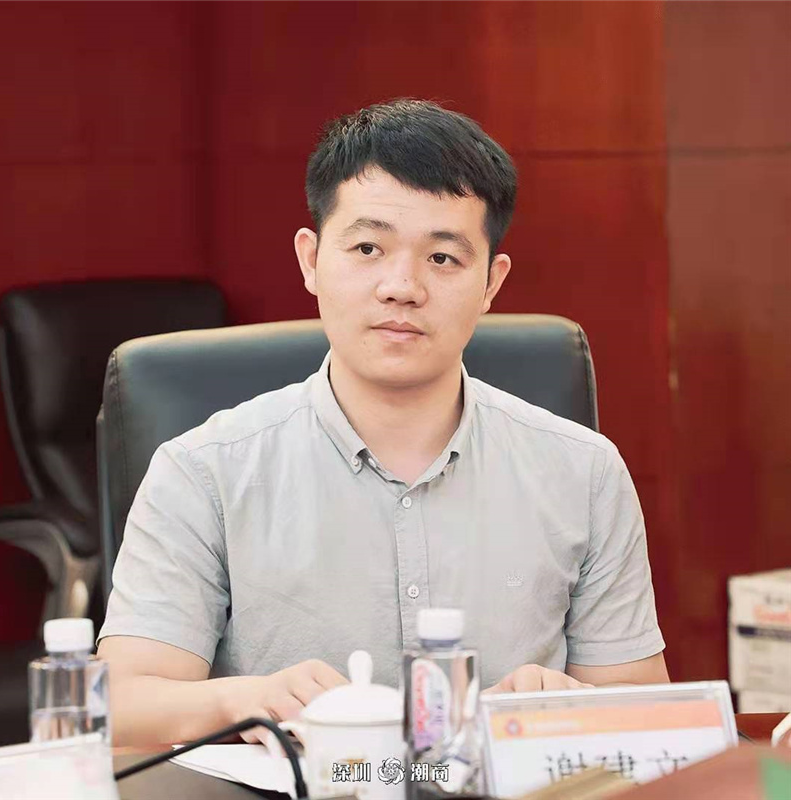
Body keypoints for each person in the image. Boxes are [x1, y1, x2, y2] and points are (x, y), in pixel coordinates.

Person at [98, 99, 669, 746]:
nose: (402, 287)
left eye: (443, 258)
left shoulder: (584, 471)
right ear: (311, 260)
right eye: (368, 247)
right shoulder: (204, 471)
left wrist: (572, 704)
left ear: (492, 282)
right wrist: (249, 699)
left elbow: (644, 714)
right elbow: (123, 705)